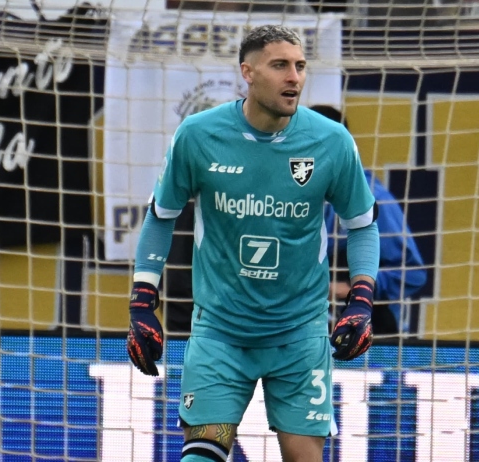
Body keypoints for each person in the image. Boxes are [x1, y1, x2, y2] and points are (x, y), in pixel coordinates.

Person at [125, 25, 380, 462]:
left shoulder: (332, 141)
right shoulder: (198, 135)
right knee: (203, 455)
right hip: (221, 334)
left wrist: (361, 300)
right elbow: (160, 217)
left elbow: (363, 225)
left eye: (300, 66)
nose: (294, 77)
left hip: (299, 336)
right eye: (280, 65)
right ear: (247, 72)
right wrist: (142, 302)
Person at [309, 105, 427, 335]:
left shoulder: (372, 197)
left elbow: (413, 273)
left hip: (367, 331)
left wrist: (348, 288)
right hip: (304, 329)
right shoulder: (291, 192)